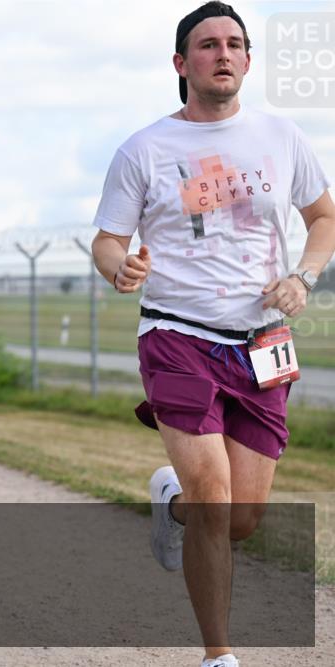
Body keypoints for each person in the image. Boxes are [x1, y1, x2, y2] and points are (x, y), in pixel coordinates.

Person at [90, 4, 335, 666]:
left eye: (234, 43)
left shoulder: (282, 137)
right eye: (207, 45)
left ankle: (170, 502)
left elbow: (324, 217)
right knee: (215, 499)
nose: (222, 53)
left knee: (242, 519)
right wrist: (120, 266)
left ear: (248, 60)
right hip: (177, 333)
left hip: (264, 342)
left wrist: (304, 276)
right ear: (181, 63)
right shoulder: (144, 149)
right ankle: (218, 655)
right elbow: (108, 239)